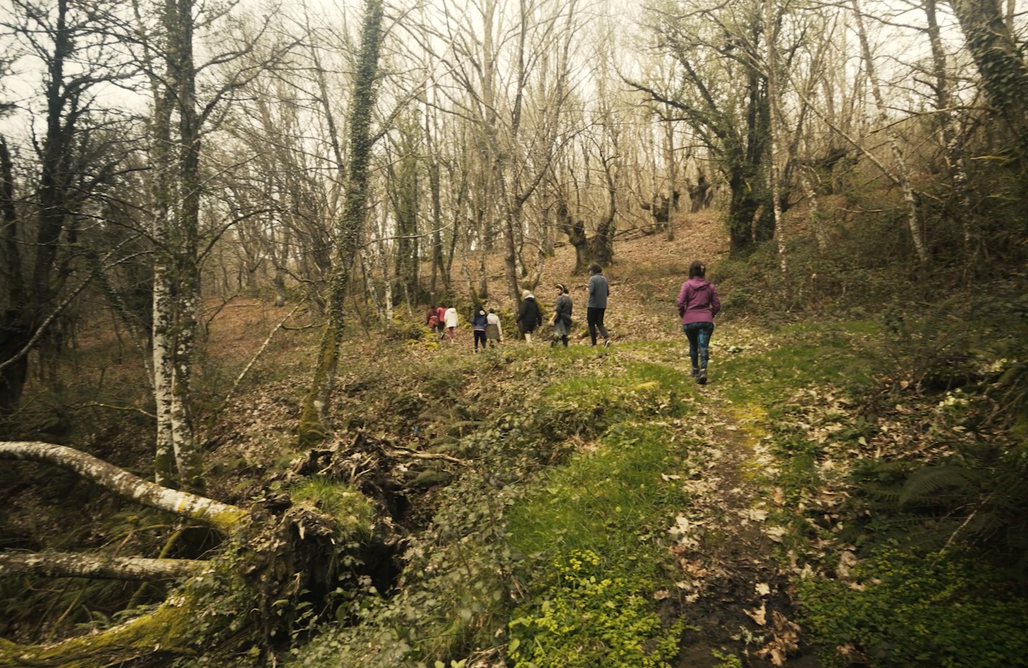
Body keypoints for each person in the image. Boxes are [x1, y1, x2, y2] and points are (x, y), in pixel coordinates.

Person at [676, 261, 721, 384]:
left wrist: (683, 315)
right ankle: (703, 370)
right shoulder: (710, 287)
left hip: (689, 321)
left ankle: (695, 369)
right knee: (703, 345)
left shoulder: (686, 285)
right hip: (705, 320)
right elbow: (717, 305)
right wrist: (709, 315)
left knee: (693, 345)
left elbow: (680, 303)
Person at [586, 263, 611, 347]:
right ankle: (607, 338)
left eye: (590, 270)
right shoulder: (604, 279)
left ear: (593, 271)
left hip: (593, 305)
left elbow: (591, 291)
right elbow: (607, 293)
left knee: (591, 323)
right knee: (600, 323)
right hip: (602, 305)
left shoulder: (592, 279)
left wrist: (587, 289)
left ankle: (593, 343)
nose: (589, 272)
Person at [551, 283, 573, 348]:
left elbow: (557, 310)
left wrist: (551, 319)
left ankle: (553, 347)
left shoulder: (560, 299)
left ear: (562, 290)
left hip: (560, 318)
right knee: (564, 334)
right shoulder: (569, 299)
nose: (556, 292)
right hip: (567, 318)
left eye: (558, 290)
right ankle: (565, 347)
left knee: (557, 334)